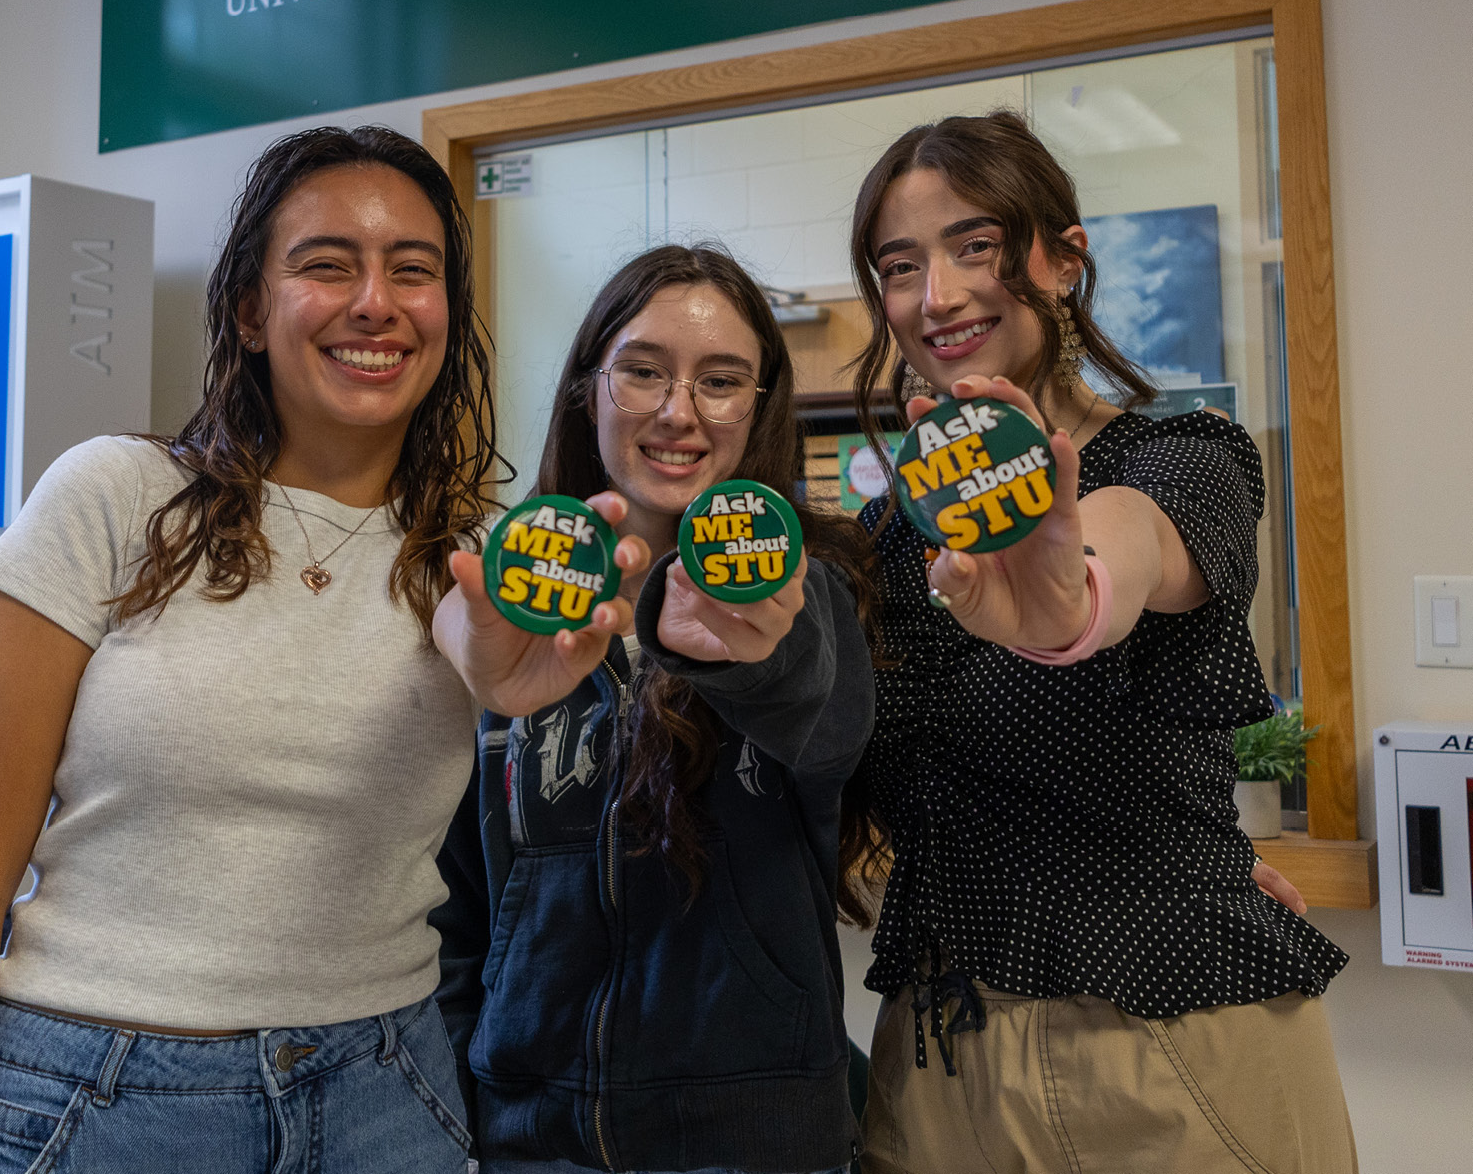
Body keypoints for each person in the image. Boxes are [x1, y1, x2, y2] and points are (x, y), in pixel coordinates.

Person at [0, 127, 645, 1174]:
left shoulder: (474, 563)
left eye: (411, 272)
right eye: (327, 264)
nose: (375, 301)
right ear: (249, 310)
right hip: (104, 1098)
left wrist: (510, 687)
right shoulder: (113, 496)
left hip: (387, 1089)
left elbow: (478, 648)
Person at [846, 111, 1355, 1174]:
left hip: (1158, 1045)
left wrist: (1065, 603)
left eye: (973, 247)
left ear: (1060, 260)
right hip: (934, 1062)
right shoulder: (889, 538)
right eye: (899, 266)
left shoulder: (1179, 459)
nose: (933, 296)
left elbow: (1132, 552)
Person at [430, 245, 879, 1174]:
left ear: (757, 410)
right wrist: (466, 1098)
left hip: (754, 1143)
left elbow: (824, 726)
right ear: (587, 389)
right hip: (527, 1140)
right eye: (642, 371)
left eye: (721, 381)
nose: (678, 411)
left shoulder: (808, 596)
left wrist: (727, 649)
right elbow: (454, 905)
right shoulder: (511, 607)